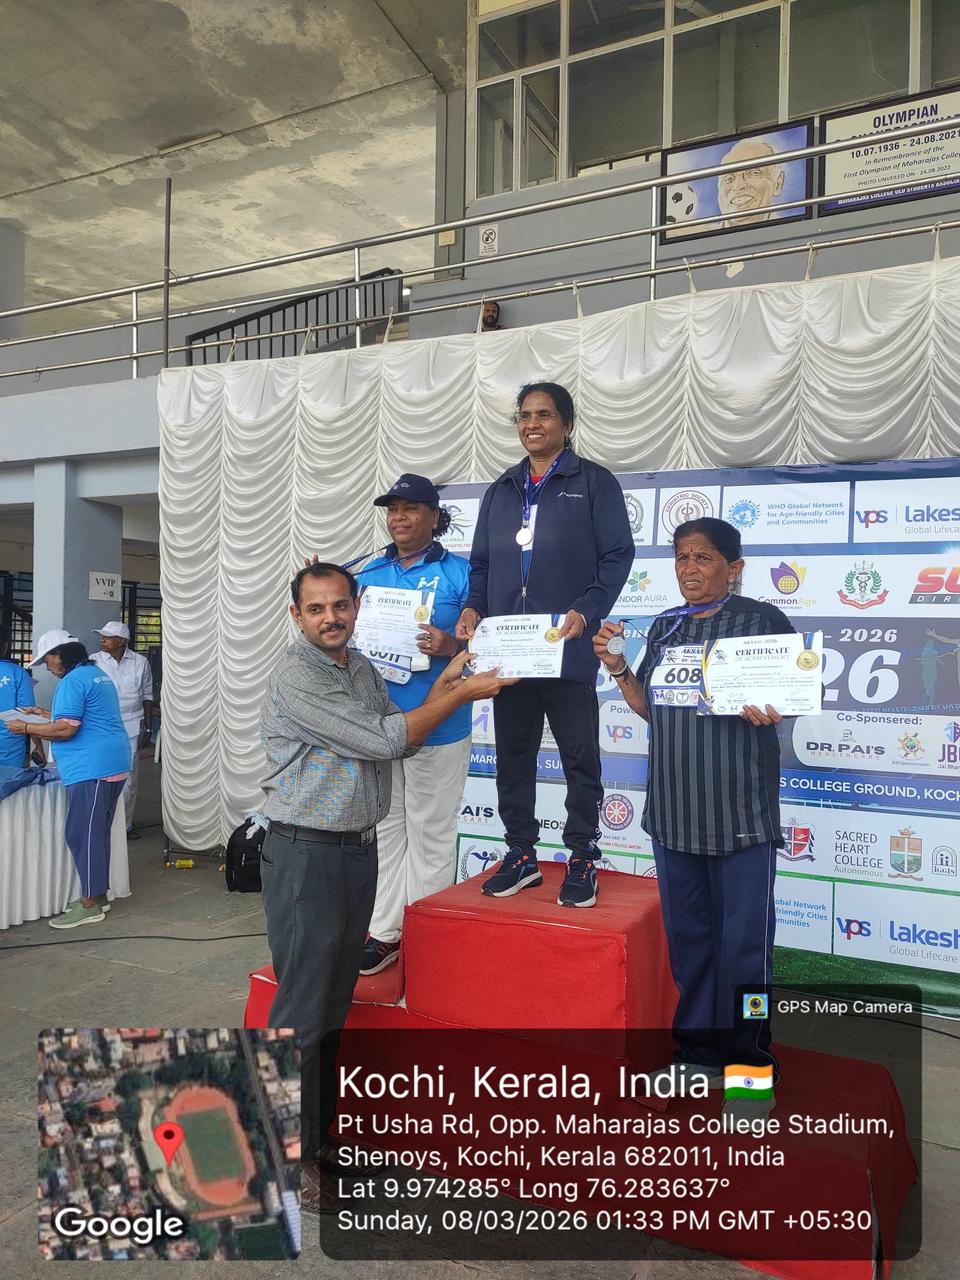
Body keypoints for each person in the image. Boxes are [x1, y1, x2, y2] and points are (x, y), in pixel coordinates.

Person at [258, 561, 513, 1171]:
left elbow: (403, 736)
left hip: (354, 849)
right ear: (296, 615)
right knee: (302, 1011)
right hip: (307, 855)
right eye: (316, 609)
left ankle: (316, 1138)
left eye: (340, 606)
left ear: (357, 608)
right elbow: (382, 740)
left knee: (332, 1005)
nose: (330, 618)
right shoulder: (298, 675)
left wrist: (447, 680)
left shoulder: (360, 667)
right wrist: (461, 695)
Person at [593, 518, 793, 1116]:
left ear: (735, 568)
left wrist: (775, 706)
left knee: (744, 954)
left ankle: (750, 1070)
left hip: (741, 815)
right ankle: (699, 1055)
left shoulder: (762, 621)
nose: (689, 569)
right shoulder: (666, 626)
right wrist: (619, 669)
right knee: (691, 945)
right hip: (674, 814)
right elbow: (654, 709)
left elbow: (788, 698)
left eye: (703, 558)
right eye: (682, 557)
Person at [456, 381, 633, 908]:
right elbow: (482, 565)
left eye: (545, 415)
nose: (532, 424)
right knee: (513, 755)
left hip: (566, 645)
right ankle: (521, 854)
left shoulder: (594, 482)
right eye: (525, 416)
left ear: (567, 424)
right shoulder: (502, 489)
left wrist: (586, 609)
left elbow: (617, 556)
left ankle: (582, 856)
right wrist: (473, 607)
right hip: (509, 650)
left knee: (580, 756)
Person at [352, 475, 472, 977]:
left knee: (432, 834)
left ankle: (427, 938)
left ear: (433, 516)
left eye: (410, 509)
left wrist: (450, 646)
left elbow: (487, 642)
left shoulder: (461, 573)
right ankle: (384, 934)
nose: (399, 517)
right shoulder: (369, 571)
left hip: (439, 724)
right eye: (392, 509)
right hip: (379, 726)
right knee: (385, 831)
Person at [3, 631, 130, 929]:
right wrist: (43, 714)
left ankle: (89, 904)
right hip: (109, 762)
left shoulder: (73, 681)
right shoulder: (94, 675)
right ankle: (97, 895)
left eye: (48, 659)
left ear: (62, 654)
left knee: (83, 834)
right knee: (94, 832)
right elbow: (78, 718)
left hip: (93, 767)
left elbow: (66, 729)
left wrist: (24, 727)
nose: (47, 667)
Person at [91, 622, 154, 837]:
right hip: (102, 725)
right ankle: (102, 825)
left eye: (108, 637)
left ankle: (125, 826)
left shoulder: (140, 662)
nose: (102, 640)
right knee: (102, 775)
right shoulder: (94, 661)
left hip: (132, 725)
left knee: (128, 779)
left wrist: (148, 728)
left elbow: (147, 695)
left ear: (121, 641)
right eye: (102, 636)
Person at [718, 138, 784, 228]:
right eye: (729, 178)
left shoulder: (793, 230)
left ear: (778, 183)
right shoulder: (702, 232)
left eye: (754, 173)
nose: (738, 186)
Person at [0, 623, 35, 769]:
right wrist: (38, 746)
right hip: (10, 750)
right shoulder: (18, 673)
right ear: (5, 646)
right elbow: (29, 712)